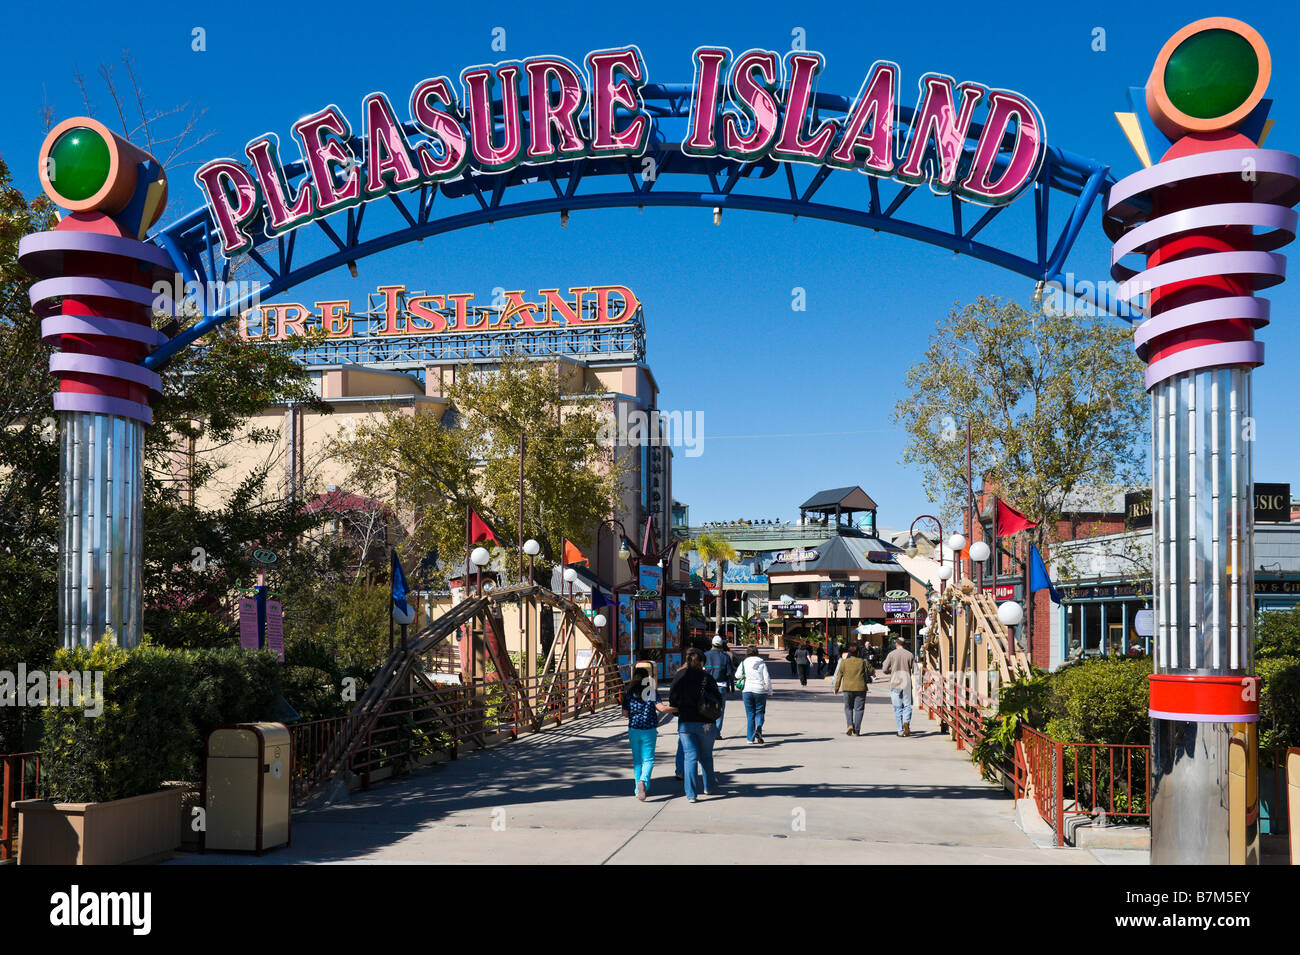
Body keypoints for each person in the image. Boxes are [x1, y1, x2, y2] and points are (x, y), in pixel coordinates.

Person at [659, 648, 722, 802]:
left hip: (686, 722)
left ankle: (691, 794)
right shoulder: (707, 678)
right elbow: (718, 699)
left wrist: (679, 711)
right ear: (701, 662)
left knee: (690, 757)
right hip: (706, 723)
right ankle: (709, 787)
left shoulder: (680, 676)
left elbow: (673, 699)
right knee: (706, 756)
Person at [621, 661, 660, 800]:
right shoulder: (651, 691)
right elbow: (660, 707)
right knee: (648, 759)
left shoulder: (629, 693)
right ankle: (643, 781)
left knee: (637, 760)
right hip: (649, 729)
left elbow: (624, 713)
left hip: (634, 729)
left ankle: (638, 790)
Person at [833, 641, 871, 736]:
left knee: (848, 708)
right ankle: (857, 731)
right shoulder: (863, 662)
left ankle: (849, 725)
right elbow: (872, 671)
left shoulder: (844, 662)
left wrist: (836, 688)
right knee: (859, 709)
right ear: (858, 652)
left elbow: (839, 676)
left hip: (847, 688)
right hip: (860, 688)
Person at [881, 635, 916, 737]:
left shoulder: (891, 654)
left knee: (897, 708)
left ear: (896, 644)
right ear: (904, 645)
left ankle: (900, 731)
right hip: (906, 683)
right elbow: (915, 670)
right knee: (907, 705)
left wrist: (891, 671)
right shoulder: (910, 655)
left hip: (895, 682)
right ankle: (906, 722)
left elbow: (884, 669)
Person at [737, 645, 771, 744]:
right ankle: (759, 729)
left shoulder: (743, 663)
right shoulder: (761, 663)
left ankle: (750, 739)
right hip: (759, 690)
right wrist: (769, 691)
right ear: (757, 652)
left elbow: (737, 675)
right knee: (760, 712)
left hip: (747, 690)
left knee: (750, 715)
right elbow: (766, 677)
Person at [704, 636, 735, 737]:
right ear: (721, 645)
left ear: (711, 644)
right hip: (721, 686)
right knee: (720, 709)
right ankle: (717, 732)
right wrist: (731, 688)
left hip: (707, 686)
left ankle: (707, 730)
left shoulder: (705, 655)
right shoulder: (725, 656)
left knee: (706, 708)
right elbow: (729, 673)